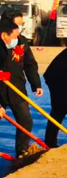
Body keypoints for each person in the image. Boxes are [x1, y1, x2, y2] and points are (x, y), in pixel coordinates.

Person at [0, 18, 43, 157]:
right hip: (0, 90)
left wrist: (36, 84)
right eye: (14, 36)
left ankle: (22, 152)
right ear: (4, 35)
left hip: (16, 88)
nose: (16, 39)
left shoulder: (20, 42)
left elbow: (30, 64)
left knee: (26, 121)